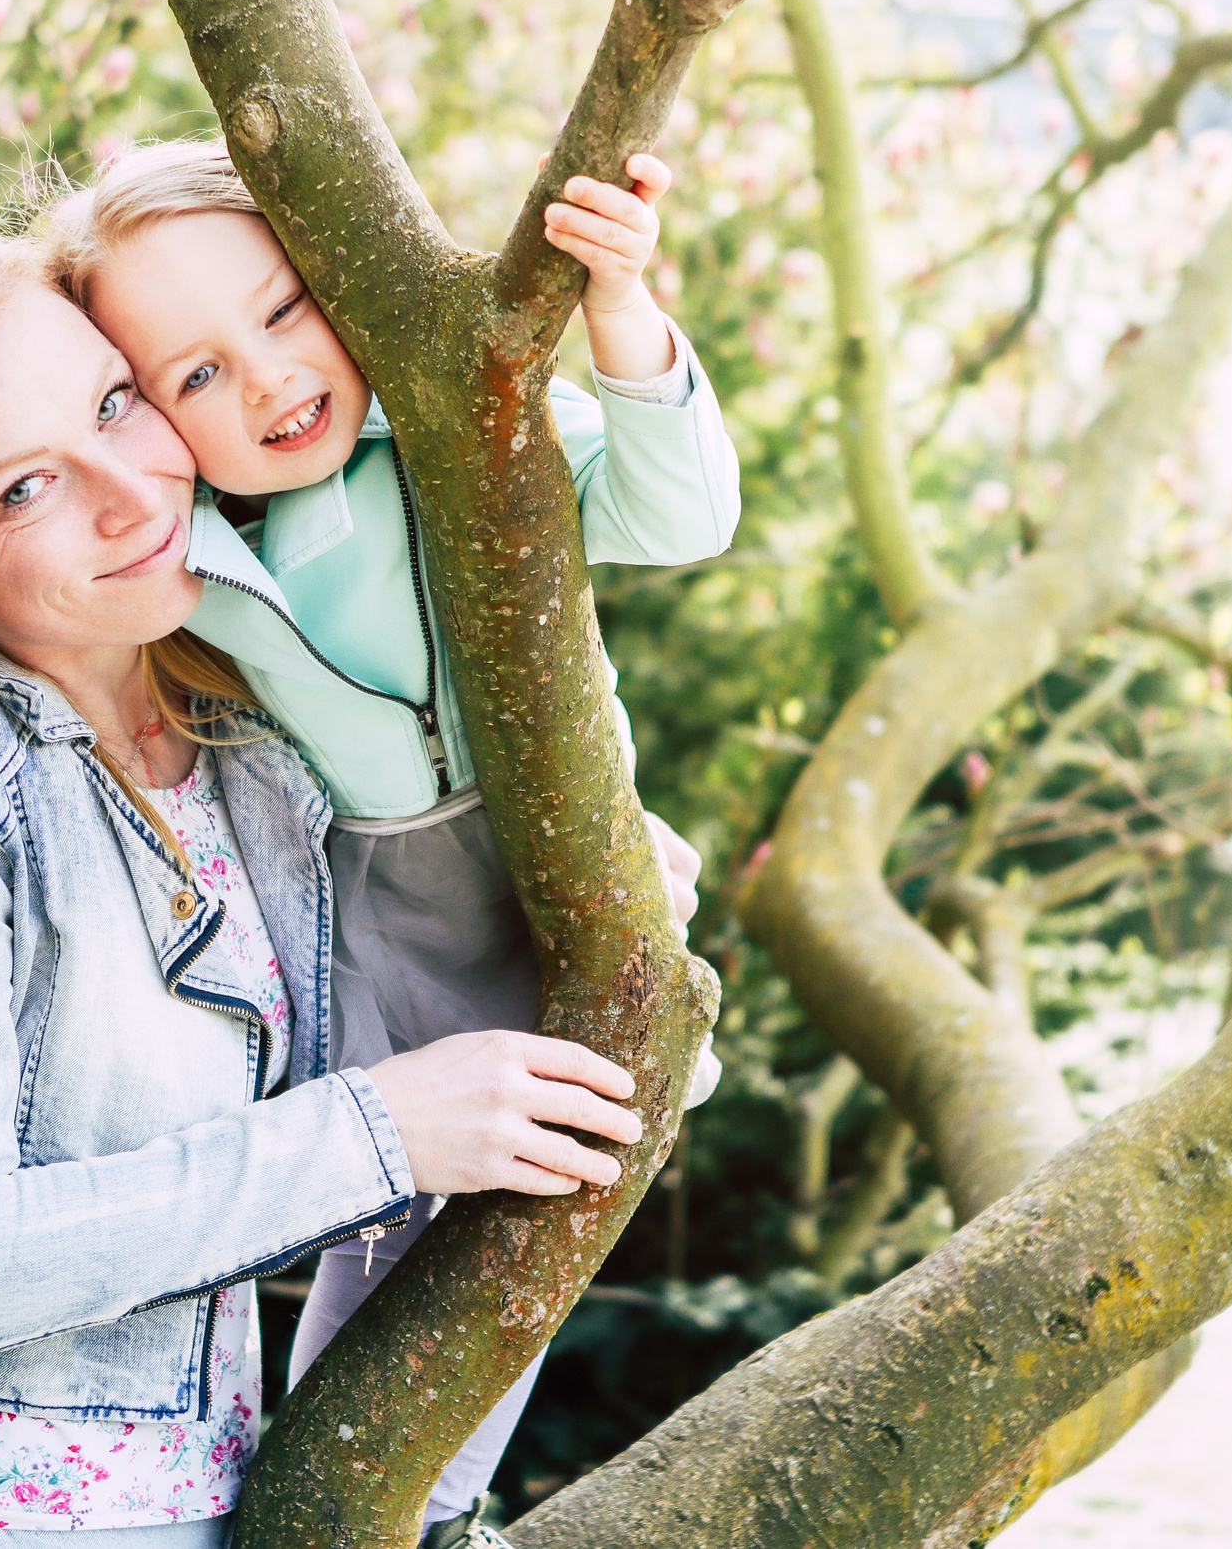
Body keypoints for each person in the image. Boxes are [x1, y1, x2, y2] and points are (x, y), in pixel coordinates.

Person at [0, 219, 652, 1546]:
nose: (130, 493)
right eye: (24, 488)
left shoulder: (241, 736)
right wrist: (381, 1132)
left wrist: (595, 879)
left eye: (116, 404)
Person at [42, 141, 738, 1542]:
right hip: (373, 903)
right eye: (193, 377)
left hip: (556, 869)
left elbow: (683, 513)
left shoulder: (461, 441)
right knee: (390, 1224)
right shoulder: (185, 557)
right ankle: (311, 1487)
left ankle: (434, 1506)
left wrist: (620, 310)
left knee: (549, 1198)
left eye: (284, 311)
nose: (265, 381)